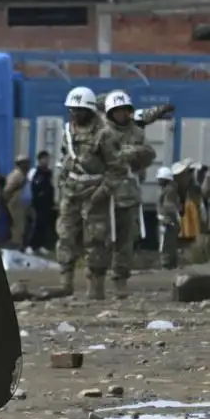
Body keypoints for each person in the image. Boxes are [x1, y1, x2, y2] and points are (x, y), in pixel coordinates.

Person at [53, 86, 118, 300]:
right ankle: (65, 283)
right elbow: (64, 159)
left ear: (89, 110)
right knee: (65, 236)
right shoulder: (67, 130)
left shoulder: (104, 133)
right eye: (71, 110)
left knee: (96, 240)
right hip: (71, 191)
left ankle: (96, 289)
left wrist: (103, 190)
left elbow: (117, 168)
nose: (74, 114)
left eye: (79, 110)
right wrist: (61, 184)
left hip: (95, 192)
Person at [101, 90, 159, 297]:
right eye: (117, 111)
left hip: (129, 193)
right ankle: (97, 279)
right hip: (104, 193)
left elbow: (148, 155)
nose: (122, 114)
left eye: (125, 110)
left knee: (126, 239)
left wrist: (134, 156)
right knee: (101, 238)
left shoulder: (137, 133)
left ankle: (120, 280)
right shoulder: (102, 132)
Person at [4, 156, 32, 251]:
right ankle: (16, 245)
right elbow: (7, 190)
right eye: (26, 162)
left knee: (22, 225)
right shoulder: (17, 175)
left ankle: (19, 245)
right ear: (20, 164)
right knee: (18, 226)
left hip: (23, 205)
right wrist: (9, 201)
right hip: (16, 204)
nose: (28, 165)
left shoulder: (23, 174)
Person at [157, 164, 181, 273]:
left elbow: (168, 206)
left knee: (166, 243)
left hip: (168, 219)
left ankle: (166, 265)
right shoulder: (170, 188)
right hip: (171, 219)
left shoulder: (169, 190)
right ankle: (172, 264)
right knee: (171, 242)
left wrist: (164, 217)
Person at [29, 150, 55, 252]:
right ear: (40, 160)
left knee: (44, 225)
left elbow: (50, 187)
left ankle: (40, 245)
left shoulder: (48, 173)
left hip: (47, 204)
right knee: (36, 225)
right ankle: (31, 245)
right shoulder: (36, 173)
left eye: (48, 159)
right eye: (45, 159)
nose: (47, 161)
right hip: (37, 204)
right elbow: (34, 188)